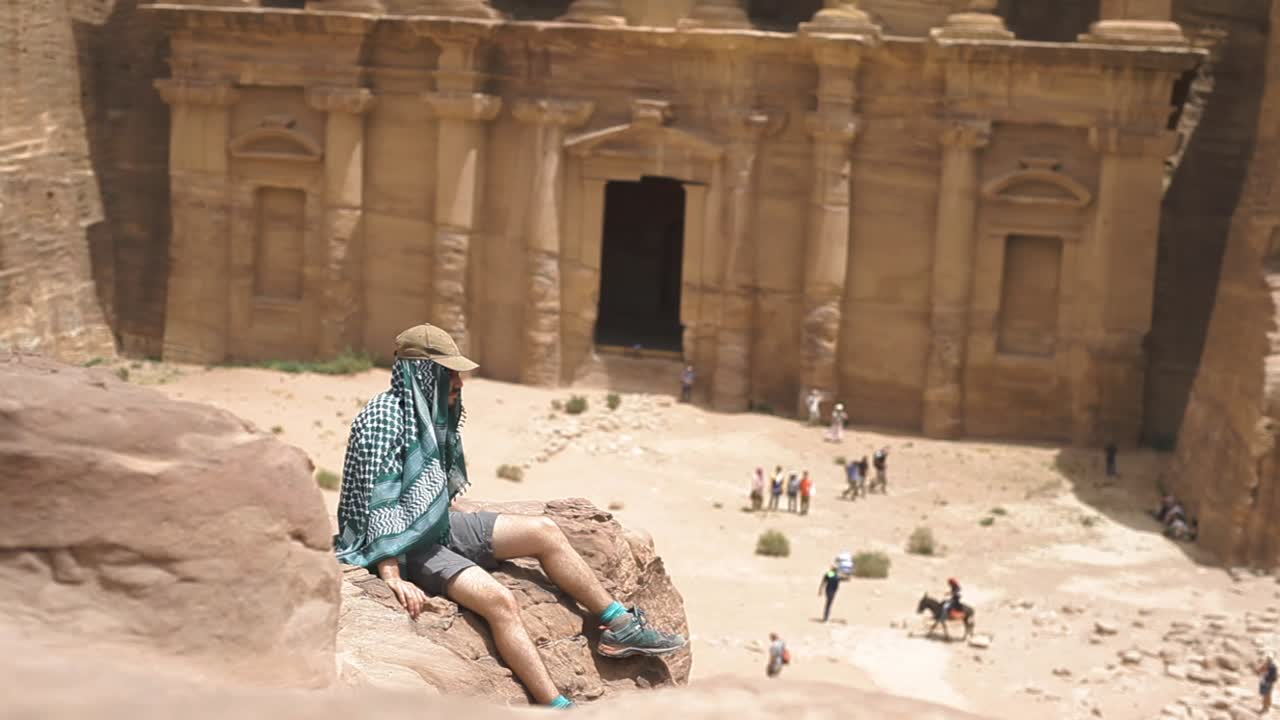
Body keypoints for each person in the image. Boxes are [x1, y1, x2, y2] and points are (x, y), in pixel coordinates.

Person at [335, 323, 686, 709]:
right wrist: (391, 575)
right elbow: (376, 501)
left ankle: (618, 624)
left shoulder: (428, 411)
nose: (459, 383)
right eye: (449, 373)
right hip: (403, 546)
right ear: (422, 374)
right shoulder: (383, 418)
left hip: (433, 525)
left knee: (545, 531)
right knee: (501, 602)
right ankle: (556, 707)